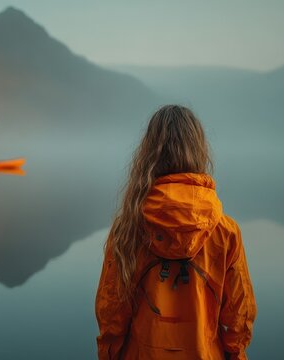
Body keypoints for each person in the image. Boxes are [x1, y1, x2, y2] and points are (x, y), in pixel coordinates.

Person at [96, 105, 256, 360]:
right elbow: (239, 317)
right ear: (199, 150)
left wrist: (107, 355)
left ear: (147, 154)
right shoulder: (226, 232)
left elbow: (111, 313)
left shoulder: (128, 229)